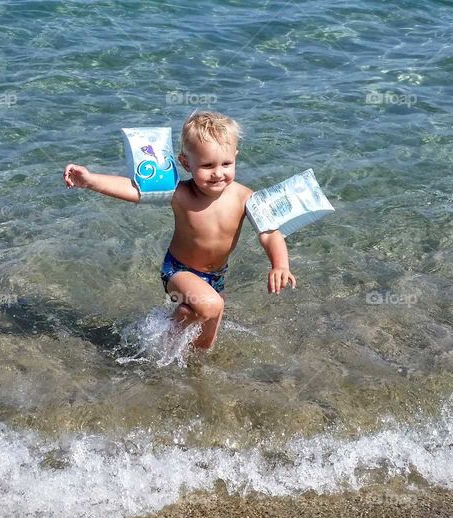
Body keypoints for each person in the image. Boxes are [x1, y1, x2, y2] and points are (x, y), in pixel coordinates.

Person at [62, 111, 296, 349]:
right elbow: (135, 190)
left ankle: (178, 362)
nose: (218, 173)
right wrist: (90, 181)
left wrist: (280, 265)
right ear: (186, 163)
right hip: (178, 271)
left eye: (226, 164)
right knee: (212, 305)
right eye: (207, 165)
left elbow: (269, 232)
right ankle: (154, 340)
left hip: (216, 276)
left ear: (236, 157)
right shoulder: (181, 193)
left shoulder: (246, 196)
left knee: (205, 344)